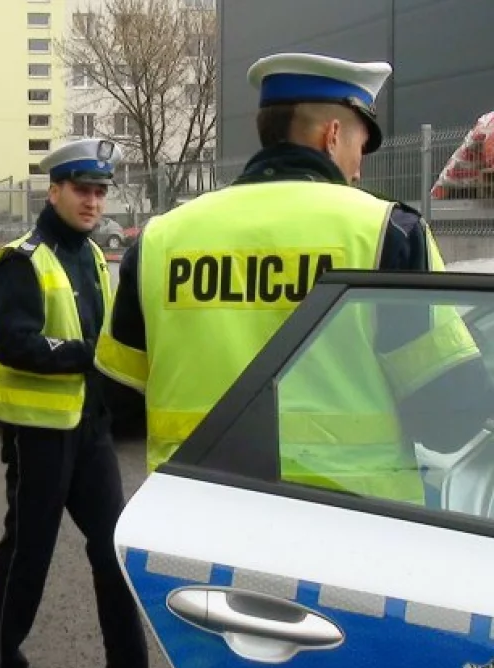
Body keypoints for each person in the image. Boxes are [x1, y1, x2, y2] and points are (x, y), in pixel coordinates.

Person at [95, 53, 493, 502]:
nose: (359, 169)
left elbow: (120, 400)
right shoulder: (388, 233)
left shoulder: (161, 238)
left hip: (191, 520)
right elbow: (449, 418)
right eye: (360, 148)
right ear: (333, 134)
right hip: (350, 530)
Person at [0, 138, 151, 668]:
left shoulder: (95, 256)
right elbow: (14, 341)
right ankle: (0, 665)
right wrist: (89, 357)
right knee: (28, 557)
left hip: (91, 432)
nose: (93, 201)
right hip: (40, 437)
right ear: (54, 191)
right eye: (82, 189)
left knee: (113, 552)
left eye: (100, 191)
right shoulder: (20, 261)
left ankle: (129, 667)